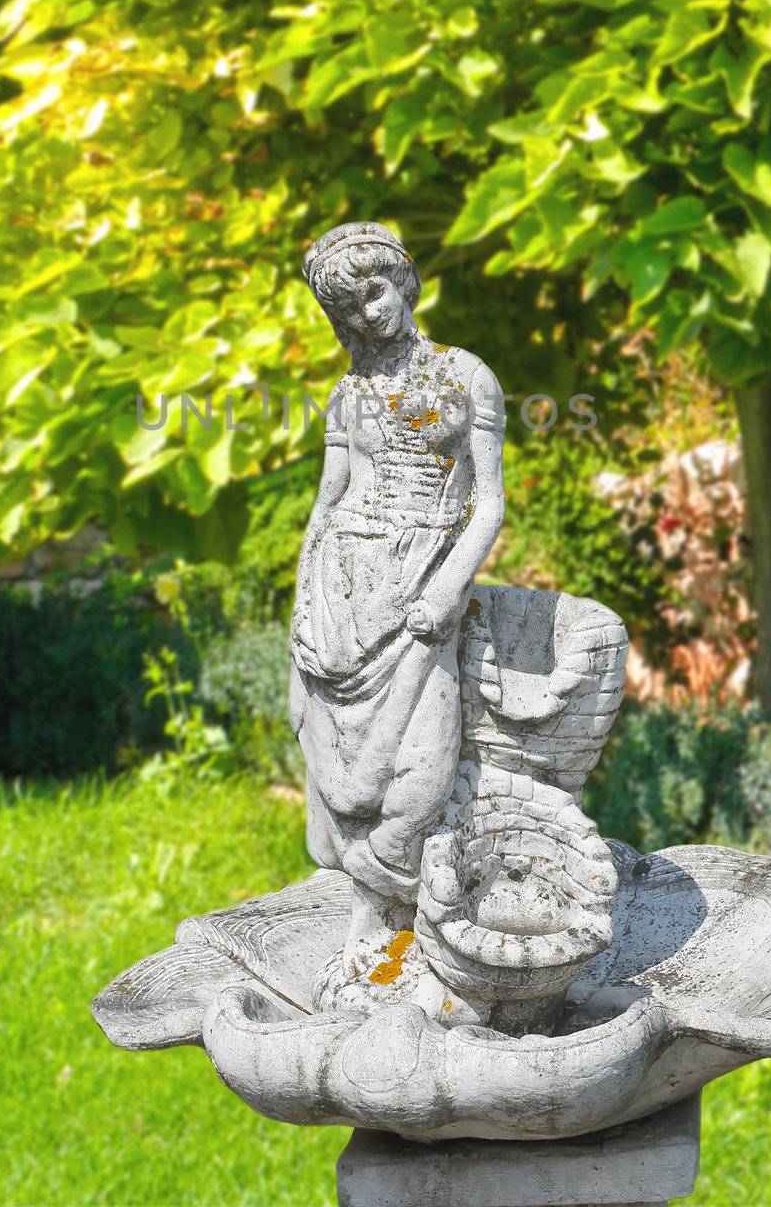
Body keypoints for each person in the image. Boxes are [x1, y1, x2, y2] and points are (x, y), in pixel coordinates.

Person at [289, 222, 505, 979]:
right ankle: (371, 931)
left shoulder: (464, 376)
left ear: (404, 282)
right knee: (340, 785)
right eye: (347, 308)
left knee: (417, 778)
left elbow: (489, 504)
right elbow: (325, 506)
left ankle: (431, 926)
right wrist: (300, 619)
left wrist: (449, 586)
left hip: (417, 598)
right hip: (343, 590)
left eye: (374, 292)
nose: (367, 314)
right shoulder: (346, 395)